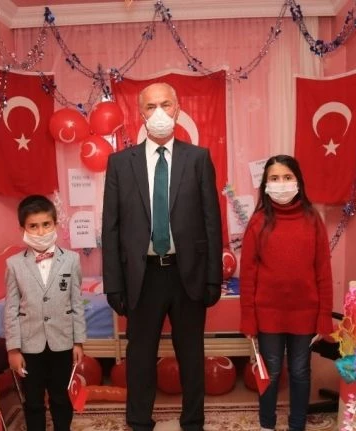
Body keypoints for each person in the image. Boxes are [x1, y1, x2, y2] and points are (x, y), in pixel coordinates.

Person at [102, 82, 223, 431]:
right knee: (140, 356)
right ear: (140, 113)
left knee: (191, 354)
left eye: (165, 104)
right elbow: (110, 228)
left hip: (188, 274)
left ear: (178, 109)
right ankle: (139, 421)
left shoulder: (198, 159)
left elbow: (212, 221)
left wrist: (213, 277)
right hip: (142, 276)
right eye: (150, 106)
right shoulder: (120, 164)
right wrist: (114, 284)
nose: (159, 112)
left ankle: (193, 421)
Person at [239, 155, 333, 431]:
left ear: (298, 181)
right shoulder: (258, 222)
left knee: (301, 371)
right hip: (268, 314)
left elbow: (323, 272)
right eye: (274, 178)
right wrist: (248, 319)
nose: (281, 184)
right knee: (271, 371)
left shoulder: (313, 220)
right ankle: (267, 425)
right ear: (265, 184)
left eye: (287, 177)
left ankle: (297, 425)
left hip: (304, 313)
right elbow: (248, 275)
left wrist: (324, 317)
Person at [4, 195, 86, 431]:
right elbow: (11, 308)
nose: (40, 232)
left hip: (62, 341)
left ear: (55, 224)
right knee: (33, 401)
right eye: (33, 226)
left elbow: (76, 302)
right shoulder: (14, 264)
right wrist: (13, 349)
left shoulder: (71, 260)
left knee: (61, 397)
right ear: (22, 229)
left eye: (46, 224)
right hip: (29, 345)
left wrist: (78, 342)